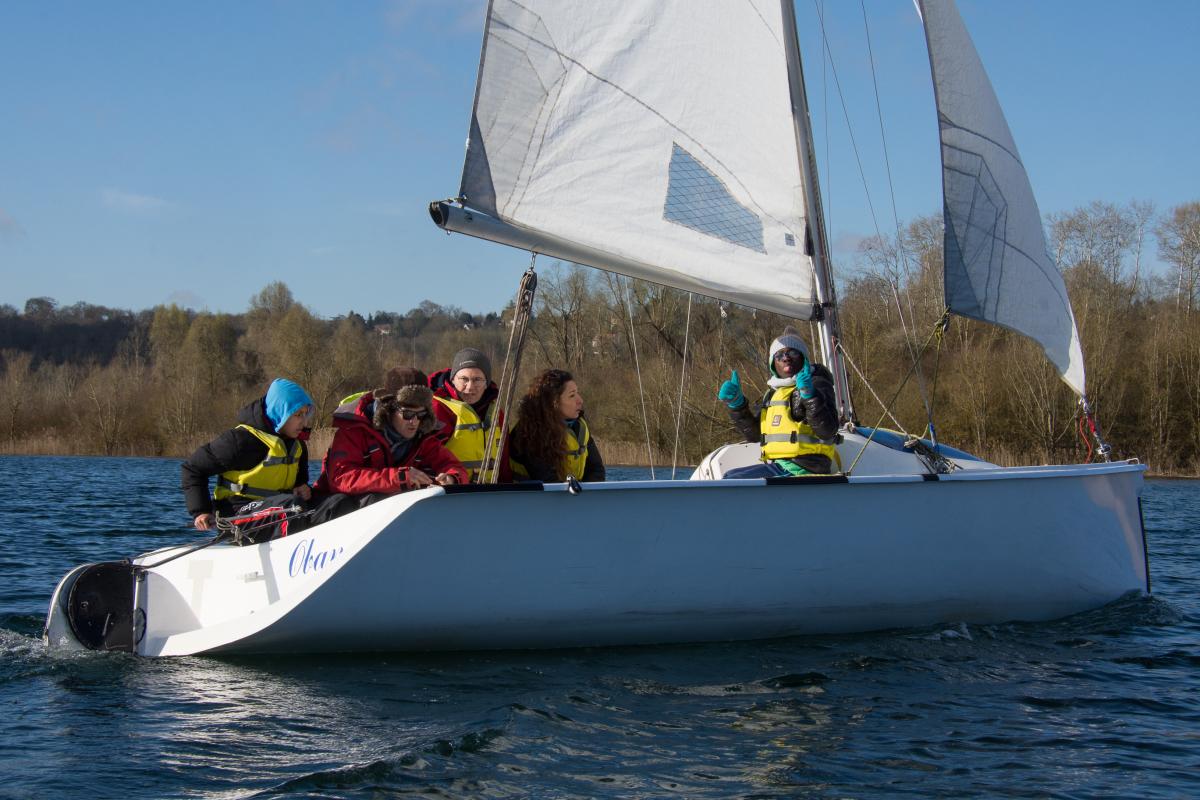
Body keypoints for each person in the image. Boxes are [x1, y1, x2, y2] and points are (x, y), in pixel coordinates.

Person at [181, 378, 314, 531]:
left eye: (306, 414)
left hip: (280, 509)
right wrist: (201, 511)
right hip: (236, 514)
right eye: (298, 415)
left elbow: (300, 482)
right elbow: (193, 469)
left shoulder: (297, 445)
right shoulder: (240, 441)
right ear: (280, 412)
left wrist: (303, 488)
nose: (304, 422)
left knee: (334, 502)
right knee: (292, 506)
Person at [716, 327, 840, 477]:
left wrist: (809, 395)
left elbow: (827, 431)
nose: (786, 358)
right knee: (729, 475)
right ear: (773, 364)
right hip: (781, 465)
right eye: (779, 355)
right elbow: (755, 435)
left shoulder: (817, 383)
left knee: (733, 480)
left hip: (805, 467)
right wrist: (737, 406)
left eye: (793, 353)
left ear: (804, 359)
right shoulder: (773, 393)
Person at [313, 383, 468, 498]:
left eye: (421, 415)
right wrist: (399, 478)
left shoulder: (425, 438)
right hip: (337, 508)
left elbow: (454, 466)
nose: (414, 421)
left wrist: (452, 478)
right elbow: (341, 478)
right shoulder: (353, 431)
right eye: (407, 414)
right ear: (388, 411)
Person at [428, 347, 513, 483]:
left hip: (490, 491)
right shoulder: (438, 409)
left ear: (486, 383)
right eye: (464, 379)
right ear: (453, 379)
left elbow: (503, 463)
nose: (470, 386)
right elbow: (426, 456)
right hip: (451, 490)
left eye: (477, 379)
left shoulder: (497, 414)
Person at [509, 368, 605, 483]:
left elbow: (597, 470)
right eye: (572, 395)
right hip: (532, 492)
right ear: (553, 402)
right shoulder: (529, 433)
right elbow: (547, 479)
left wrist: (586, 491)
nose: (580, 400)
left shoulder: (579, 428)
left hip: (572, 491)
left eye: (577, 393)